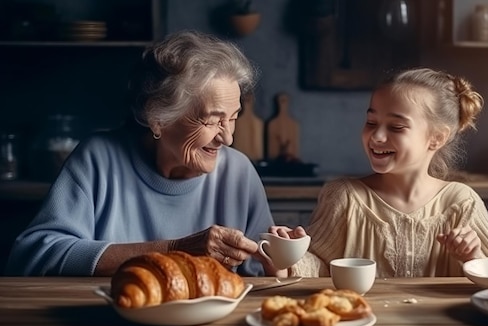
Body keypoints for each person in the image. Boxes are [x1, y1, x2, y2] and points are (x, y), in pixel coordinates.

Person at [5, 30, 281, 277]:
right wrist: (175, 250)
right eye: (211, 120)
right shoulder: (99, 159)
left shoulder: (239, 172)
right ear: (157, 118)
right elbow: (32, 257)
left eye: (232, 118)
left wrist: (279, 258)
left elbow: (261, 278)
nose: (227, 137)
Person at [271, 67, 488, 277]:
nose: (376, 136)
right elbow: (320, 267)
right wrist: (284, 259)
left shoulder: (461, 202)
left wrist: (474, 257)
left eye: (396, 126)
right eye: (371, 122)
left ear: (437, 138)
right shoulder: (345, 197)